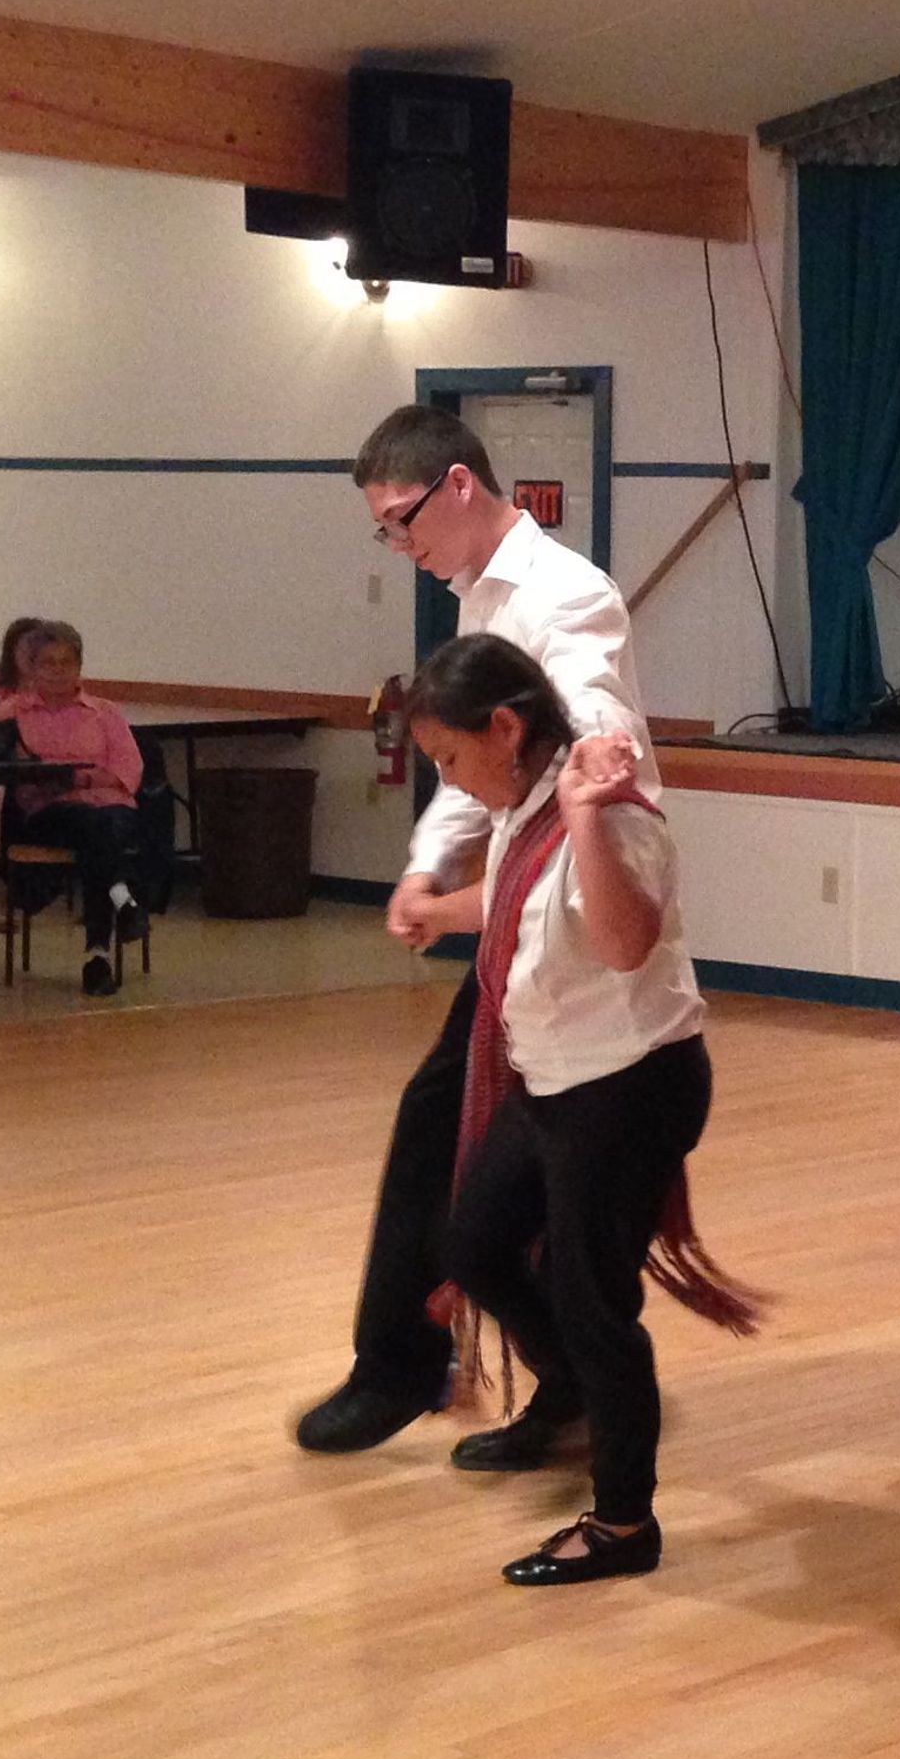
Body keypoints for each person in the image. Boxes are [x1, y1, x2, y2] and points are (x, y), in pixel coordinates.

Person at [295, 404, 655, 1466]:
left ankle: (502, 1378)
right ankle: (539, 1378)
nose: (400, 546)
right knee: (483, 1165)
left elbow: (579, 730)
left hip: (581, 922)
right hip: (526, 918)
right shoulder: (481, 603)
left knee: (553, 1186)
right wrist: (428, 861)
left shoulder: (567, 596)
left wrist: (583, 778)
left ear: (458, 485)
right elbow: (476, 752)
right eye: (384, 532)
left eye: (401, 520)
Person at [399, 634, 754, 1586]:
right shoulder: (528, 798)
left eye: (451, 757)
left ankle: (624, 1524)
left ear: (506, 727)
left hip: (629, 1089)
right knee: (474, 1245)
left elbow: (625, 940)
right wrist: (440, 909)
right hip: (556, 1080)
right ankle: (571, 1394)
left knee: (598, 1307)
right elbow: (521, 897)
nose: (454, 780)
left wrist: (588, 815)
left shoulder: (608, 812)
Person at [0, 621, 148, 996]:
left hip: (109, 808)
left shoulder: (105, 712)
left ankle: (99, 955)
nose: (58, 671)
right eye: (47, 663)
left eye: (66, 662)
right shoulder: (12, 713)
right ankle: (121, 906)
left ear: (79, 666)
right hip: (48, 812)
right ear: (32, 667)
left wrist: (81, 781)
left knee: (100, 831)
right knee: (95, 829)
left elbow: (128, 771)